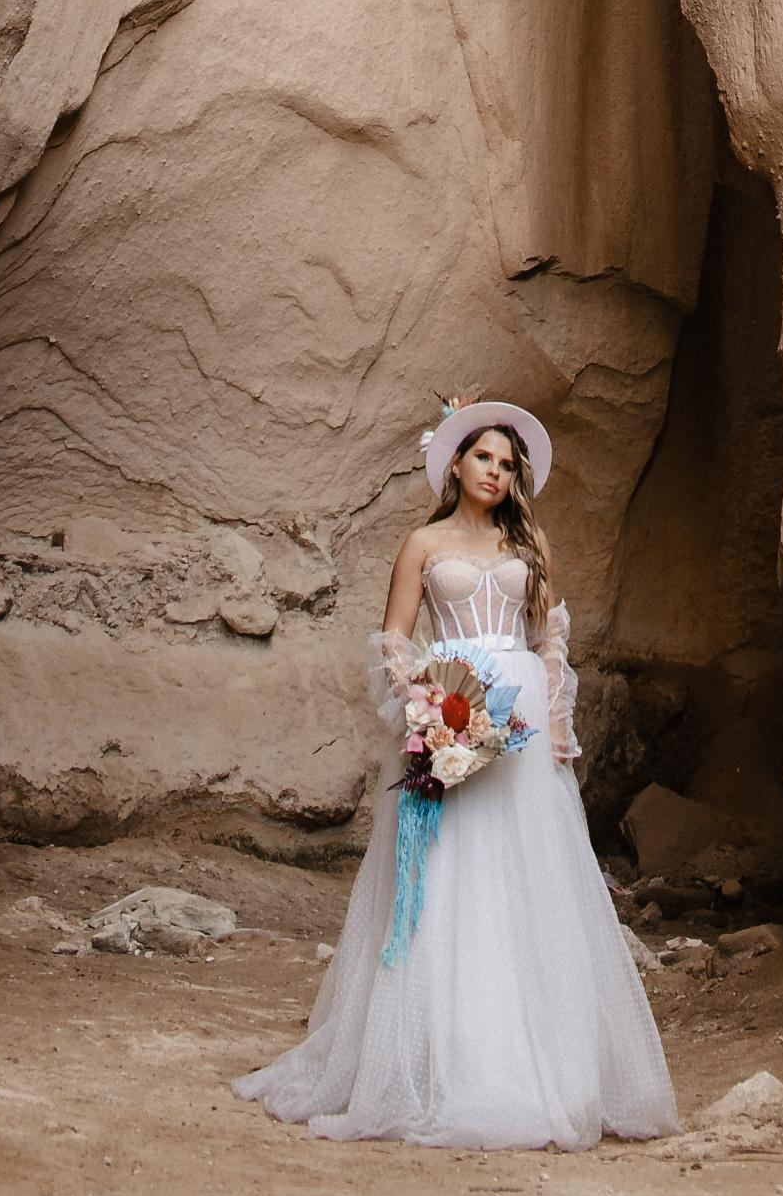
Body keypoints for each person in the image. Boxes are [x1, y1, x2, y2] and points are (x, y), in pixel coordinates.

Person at [233, 398, 679, 1149]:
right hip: (453, 709)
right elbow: (395, 639)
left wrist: (560, 730)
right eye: (485, 458)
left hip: (525, 722)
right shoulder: (422, 543)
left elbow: (547, 643)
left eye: (508, 465)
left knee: (528, 875)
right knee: (448, 874)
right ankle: (446, 1056)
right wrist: (426, 703)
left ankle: (548, 1067)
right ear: (455, 461)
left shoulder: (528, 542)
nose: (496, 473)